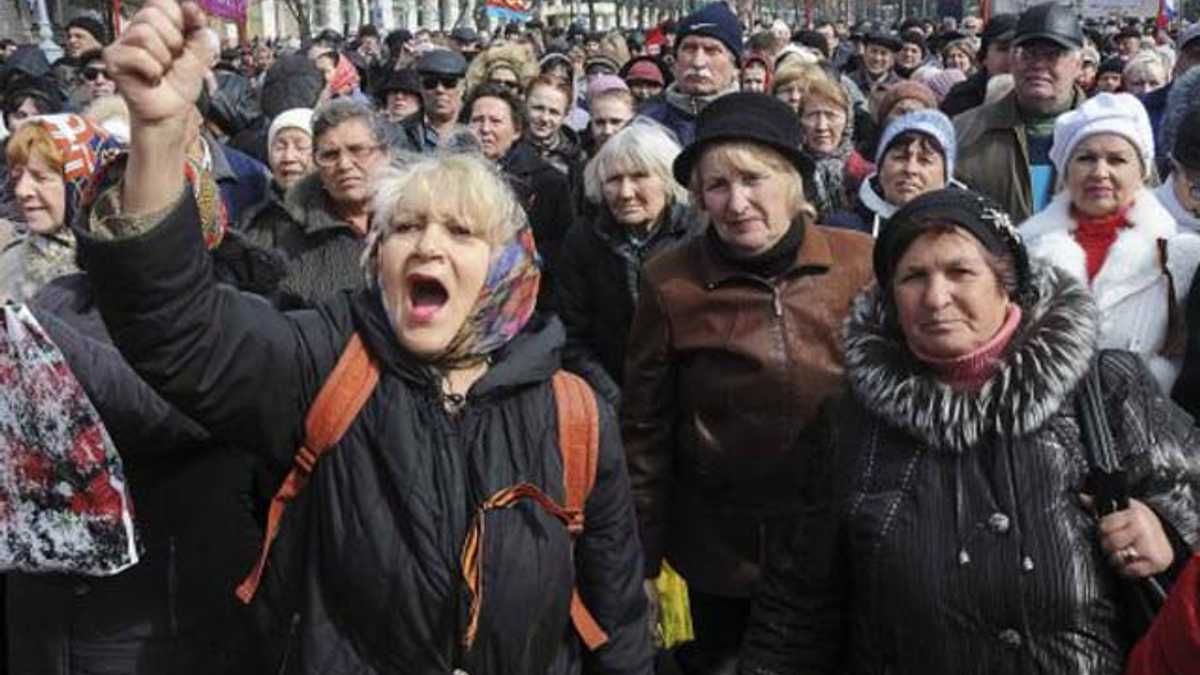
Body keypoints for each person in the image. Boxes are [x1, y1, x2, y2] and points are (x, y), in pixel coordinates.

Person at [81, 5, 654, 673]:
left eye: (461, 233)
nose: (428, 246)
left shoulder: (574, 415)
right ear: (378, 255)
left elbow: (616, 622)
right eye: (406, 228)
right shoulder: (328, 362)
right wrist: (156, 133)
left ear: (506, 268)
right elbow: (176, 329)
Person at [739, 187, 1200, 675]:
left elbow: (1189, 496)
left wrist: (1168, 532)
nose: (937, 298)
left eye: (960, 272)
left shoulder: (1105, 387)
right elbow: (795, 608)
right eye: (914, 277)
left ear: (1007, 283)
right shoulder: (847, 426)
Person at [622, 93, 873, 675]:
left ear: (791, 181)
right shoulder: (670, 283)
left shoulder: (860, 264)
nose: (736, 203)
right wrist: (642, 559)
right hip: (724, 557)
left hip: (844, 545)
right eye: (716, 186)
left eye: (753, 179)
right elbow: (645, 431)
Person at [1020, 93, 1200, 394]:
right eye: (1086, 158)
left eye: (1117, 159)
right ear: (1066, 170)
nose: (1100, 172)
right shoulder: (1026, 249)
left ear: (1141, 171)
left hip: (1147, 424)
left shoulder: (1180, 256)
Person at [558, 120, 700, 407]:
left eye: (639, 176)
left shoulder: (699, 236)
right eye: (613, 180)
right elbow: (571, 335)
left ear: (666, 179)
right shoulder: (583, 240)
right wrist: (615, 401)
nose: (625, 192)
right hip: (609, 401)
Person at [243, 99, 390, 307]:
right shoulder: (277, 231)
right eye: (330, 155)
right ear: (316, 161)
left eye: (357, 150)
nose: (344, 165)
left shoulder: (418, 220)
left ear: (384, 155)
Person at [955, 2, 1086, 222]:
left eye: (1052, 55)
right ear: (1013, 60)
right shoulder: (966, 131)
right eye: (1029, 54)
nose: (1038, 64)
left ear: (1078, 64)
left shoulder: (1110, 134)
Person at [466, 83, 575, 313]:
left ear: (516, 130)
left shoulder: (549, 182)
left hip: (524, 304)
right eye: (477, 120)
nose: (485, 129)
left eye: (495, 121)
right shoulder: (448, 177)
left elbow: (561, 249)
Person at [0, 115, 123, 303]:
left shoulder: (124, 266)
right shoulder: (9, 265)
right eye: (17, 178)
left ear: (84, 181)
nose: (22, 191)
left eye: (40, 178)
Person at [828, 110, 961, 236]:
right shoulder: (843, 231)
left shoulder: (964, 235)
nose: (910, 169)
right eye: (900, 157)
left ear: (946, 175)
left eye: (924, 160)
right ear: (880, 168)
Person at [640, 2, 742, 146]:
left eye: (712, 50)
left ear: (735, 66)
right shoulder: (646, 124)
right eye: (689, 49)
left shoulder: (755, 124)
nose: (698, 62)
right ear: (675, 60)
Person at [799, 76, 873, 219]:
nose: (821, 126)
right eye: (812, 115)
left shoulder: (867, 176)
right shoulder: (792, 175)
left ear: (847, 121)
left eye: (831, 115)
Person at [940, 13, 1017, 117]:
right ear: (984, 57)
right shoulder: (961, 99)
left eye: (1019, 50)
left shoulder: (1038, 98)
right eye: (1003, 49)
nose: (1012, 58)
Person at [395, 49, 468, 154]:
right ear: (420, 87)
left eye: (449, 83)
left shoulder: (477, 128)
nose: (440, 90)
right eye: (430, 83)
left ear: (462, 88)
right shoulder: (401, 132)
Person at [523, 74, 584, 176]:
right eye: (538, 108)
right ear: (524, 104)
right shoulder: (504, 147)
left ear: (566, 114)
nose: (544, 118)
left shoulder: (577, 160)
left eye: (554, 112)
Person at [849, 31, 901, 98]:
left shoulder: (899, 88)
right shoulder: (849, 82)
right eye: (873, 51)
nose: (877, 58)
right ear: (864, 53)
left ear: (892, 59)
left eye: (883, 53)